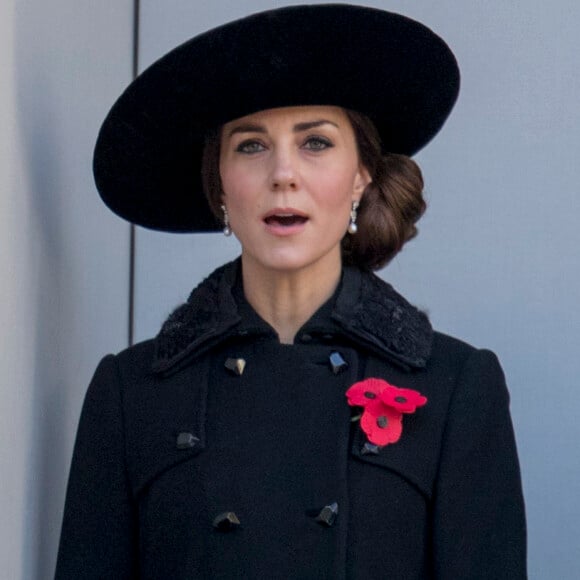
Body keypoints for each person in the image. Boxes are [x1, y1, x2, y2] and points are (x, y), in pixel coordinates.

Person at [55, 5, 527, 579]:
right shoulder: (129, 395)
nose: (283, 173)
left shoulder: (456, 387)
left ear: (361, 177)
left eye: (316, 143)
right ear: (220, 188)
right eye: (251, 146)